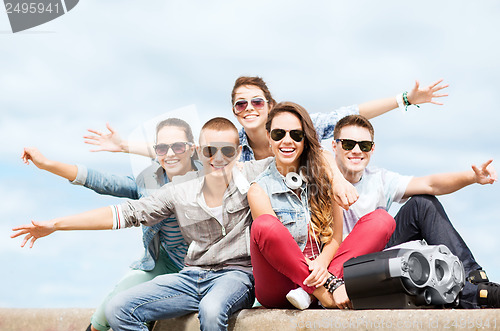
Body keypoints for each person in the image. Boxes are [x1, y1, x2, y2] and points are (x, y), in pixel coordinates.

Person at [12, 117, 273, 331]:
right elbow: (119, 205)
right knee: (115, 309)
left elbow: (295, 158)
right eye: (209, 151)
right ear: (200, 152)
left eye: (226, 151)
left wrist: (125, 145)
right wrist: (56, 224)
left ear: (237, 152)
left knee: (212, 308)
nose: (218, 158)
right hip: (183, 271)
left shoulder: (246, 173)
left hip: (231, 273)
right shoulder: (172, 190)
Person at [84, 76, 448, 209]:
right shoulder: (234, 143)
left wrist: (404, 99)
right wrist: (125, 146)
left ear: (269, 105)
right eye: (240, 103)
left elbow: (350, 112)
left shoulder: (296, 126)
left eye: (256, 101)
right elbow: (186, 152)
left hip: (316, 213)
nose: (248, 108)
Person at [21, 118, 200, 331]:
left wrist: (126, 147)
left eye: (179, 146)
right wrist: (47, 165)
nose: (170, 153)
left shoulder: (212, 176)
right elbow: (104, 181)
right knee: (104, 315)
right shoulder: (148, 180)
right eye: (161, 148)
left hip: (202, 266)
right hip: (164, 261)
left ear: (193, 148)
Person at [331, 114, 499, 309]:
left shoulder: (378, 178)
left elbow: (430, 184)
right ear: (334, 147)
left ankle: (475, 279)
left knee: (422, 203)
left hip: (377, 255)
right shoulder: (321, 178)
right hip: (344, 265)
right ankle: (481, 296)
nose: (357, 151)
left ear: (373, 148)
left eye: (365, 145)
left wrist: (472, 177)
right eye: (348, 144)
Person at [247, 102, 396, 310]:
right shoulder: (258, 190)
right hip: (280, 284)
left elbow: (336, 238)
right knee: (264, 225)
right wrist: (325, 286)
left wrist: (323, 266)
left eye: (296, 135)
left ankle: (311, 293)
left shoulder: (323, 177)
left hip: (323, 272)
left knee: (382, 220)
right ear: (268, 137)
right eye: (279, 133)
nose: (287, 140)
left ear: (305, 139)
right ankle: (322, 293)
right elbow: (274, 248)